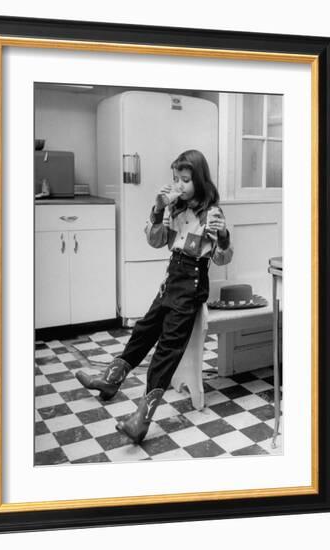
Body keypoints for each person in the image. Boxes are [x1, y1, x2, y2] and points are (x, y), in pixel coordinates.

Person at [75, 149, 233, 444]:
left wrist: (223, 236)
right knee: (144, 330)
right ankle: (111, 380)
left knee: (167, 349)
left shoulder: (212, 213)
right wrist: (158, 208)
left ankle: (142, 419)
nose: (179, 185)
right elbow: (156, 241)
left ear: (199, 180)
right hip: (170, 282)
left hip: (191, 287)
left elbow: (223, 259)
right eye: (176, 179)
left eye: (185, 180)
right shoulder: (175, 209)